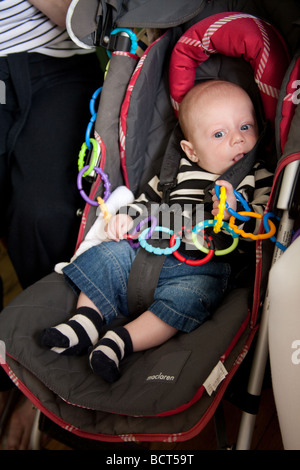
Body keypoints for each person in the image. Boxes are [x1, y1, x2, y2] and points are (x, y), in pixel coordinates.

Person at [39, 80, 273, 384]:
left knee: (191, 298)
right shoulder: (174, 172)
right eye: (219, 133)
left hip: (202, 267)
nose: (237, 140)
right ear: (192, 150)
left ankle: (121, 341)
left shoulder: (257, 176)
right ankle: (85, 321)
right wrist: (125, 217)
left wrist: (233, 214)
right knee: (105, 257)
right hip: (147, 249)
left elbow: (262, 226)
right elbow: (146, 202)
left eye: (245, 126)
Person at [0, 0, 103, 449]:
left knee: (47, 213)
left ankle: (43, 373)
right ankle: (13, 365)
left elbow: (95, 21)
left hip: (56, 59)